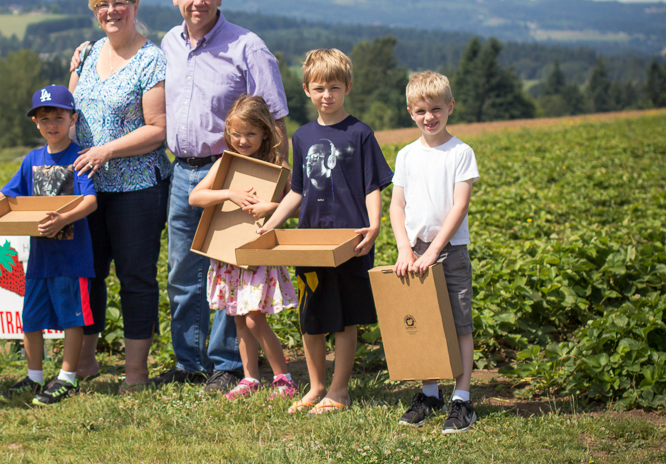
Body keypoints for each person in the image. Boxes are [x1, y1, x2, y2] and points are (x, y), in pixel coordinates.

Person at [157, 0, 290, 394]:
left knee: (232, 269)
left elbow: (276, 122)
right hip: (185, 175)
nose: (198, 1)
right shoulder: (169, 43)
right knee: (184, 272)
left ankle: (228, 364)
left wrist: (276, 185)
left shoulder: (248, 46)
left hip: (235, 174)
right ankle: (189, 361)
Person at [260, 49, 393, 415]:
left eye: (335, 87)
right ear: (305, 89)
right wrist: (272, 224)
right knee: (312, 317)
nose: (327, 95)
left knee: (345, 319)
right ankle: (316, 385)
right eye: (319, 88)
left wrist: (375, 225)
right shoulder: (301, 137)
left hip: (351, 242)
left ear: (348, 87)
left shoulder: (361, 133)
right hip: (310, 243)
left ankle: (340, 389)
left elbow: (372, 186)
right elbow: (298, 193)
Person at [68, 0, 170, 393]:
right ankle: (86, 361)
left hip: (137, 186)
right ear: (96, 13)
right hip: (89, 187)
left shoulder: (152, 59)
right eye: (102, 5)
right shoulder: (87, 54)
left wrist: (107, 150)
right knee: (88, 274)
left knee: (135, 277)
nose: (112, 11)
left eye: (119, 3)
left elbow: (158, 127)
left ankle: (135, 372)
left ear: (135, 6)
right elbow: (69, 112)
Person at [0, 85, 98, 406]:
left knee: (72, 318)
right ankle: (34, 378)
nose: (51, 124)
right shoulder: (31, 160)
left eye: (58, 117)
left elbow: (90, 202)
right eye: (44, 119)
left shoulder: (80, 157)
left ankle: (67, 379)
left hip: (73, 257)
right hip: (40, 259)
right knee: (30, 319)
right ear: (36, 124)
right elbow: (7, 195)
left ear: (72, 118)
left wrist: (62, 219)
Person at [188, 95, 298, 400]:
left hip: (257, 254)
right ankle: (250, 378)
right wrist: (229, 194)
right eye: (236, 134)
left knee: (253, 317)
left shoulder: (276, 165)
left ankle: (283, 378)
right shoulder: (226, 164)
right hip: (228, 255)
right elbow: (195, 197)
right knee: (238, 317)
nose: (242, 140)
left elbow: (297, 207)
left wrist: (271, 206)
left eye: (250, 133)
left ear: (265, 132)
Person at [390, 71, 480, 433]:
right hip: (414, 251)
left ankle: (461, 399)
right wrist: (405, 250)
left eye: (436, 109)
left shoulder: (460, 152)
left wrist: (434, 251)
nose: (429, 117)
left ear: (450, 107)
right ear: (410, 111)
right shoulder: (406, 155)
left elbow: (459, 207)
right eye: (421, 110)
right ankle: (430, 394)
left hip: (451, 249)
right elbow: (397, 206)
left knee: (459, 324)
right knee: (422, 324)